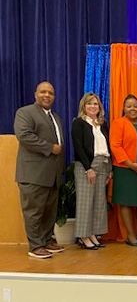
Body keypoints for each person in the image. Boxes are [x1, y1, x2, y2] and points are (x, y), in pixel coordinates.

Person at [14, 81, 65, 259]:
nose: (47, 95)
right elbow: (24, 136)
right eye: (43, 92)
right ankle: (35, 246)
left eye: (50, 93)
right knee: (34, 212)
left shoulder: (55, 117)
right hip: (33, 173)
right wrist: (49, 148)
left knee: (49, 212)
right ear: (35, 94)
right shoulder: (25, 112)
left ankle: (46, 241)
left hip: (52, 175)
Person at [110, 95, 137, 247]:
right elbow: (115, 146)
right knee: (126, 203)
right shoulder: (118, 123)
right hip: (125, 169)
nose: (133, 109)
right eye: (129, 106)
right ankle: (130, 236)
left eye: (135, 106)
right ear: (123, 109)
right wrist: (130, 164)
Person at [71, 93, 111, 250]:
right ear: (83, 106)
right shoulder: (79, 123)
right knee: (86, 202)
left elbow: (107, 147)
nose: (93, 106)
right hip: (87, 165)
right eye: (89, 104)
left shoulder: (102, 124)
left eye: (95, 104)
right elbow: (78, 148)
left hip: (103, 163)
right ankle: (83, 236)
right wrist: (88, 168)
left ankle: (93, 233)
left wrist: (109, 169)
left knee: (98, 203)